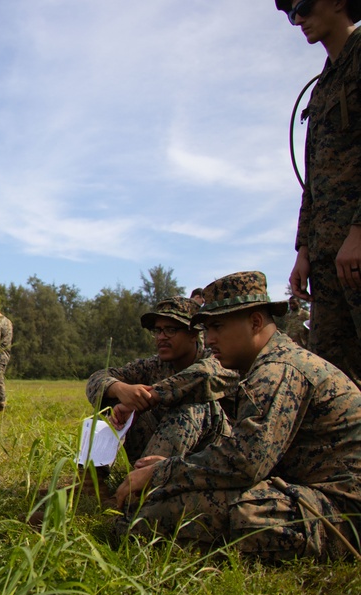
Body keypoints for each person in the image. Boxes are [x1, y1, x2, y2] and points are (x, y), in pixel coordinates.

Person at [115, 271, 361, 562]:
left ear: (255, 322)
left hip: (342, 513)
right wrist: (172, 469)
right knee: (166, 505)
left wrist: (162, 472)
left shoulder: (279, 369)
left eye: (217, 326)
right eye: (207, 328)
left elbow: (245, 462)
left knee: (163, 515)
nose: (210, 338)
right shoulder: (266, 363)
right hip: (305, 489)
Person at [279, 0, 361, 390]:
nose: (297, 19)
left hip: (356, 248)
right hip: (329, 259)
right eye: (289, 12)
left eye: (304, 6)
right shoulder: (323, 85)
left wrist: (359, 231)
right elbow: (313, 179)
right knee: (332, 382)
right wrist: (304, 251)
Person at [85, 297, 232, 467]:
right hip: (163, 449)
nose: (161, 337)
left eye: (170, 330)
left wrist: (151, 396)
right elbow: (97, 378)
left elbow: (205, 375)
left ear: (193, 334)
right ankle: (93, 479)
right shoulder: (153, 365)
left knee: (192, 404)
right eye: (157, 330)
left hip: (211, 457)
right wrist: (119, 388)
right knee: (114, 401)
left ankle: (143, 485)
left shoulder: (217, 358)